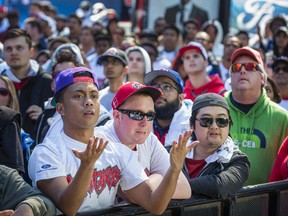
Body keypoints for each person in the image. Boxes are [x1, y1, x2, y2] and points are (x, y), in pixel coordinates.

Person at [28, 66, 196, 215]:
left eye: (94, 95)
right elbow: (69, 207)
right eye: (78, 96)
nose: (88, 102)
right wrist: (87, 166)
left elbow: (155, 205)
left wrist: (174, 169)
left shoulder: (115, 149)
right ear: (60, 108)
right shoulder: (46, 152)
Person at [96, 81, 193, 200]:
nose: (145, 123)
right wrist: (158, 179)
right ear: (117, 116)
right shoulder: (101, 141)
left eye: (150, 115)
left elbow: (184, 189)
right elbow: (134, 198)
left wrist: (147, 187)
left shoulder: (149, 139)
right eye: (137, 114)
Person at [225, 46, 288, 185]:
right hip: (219, 201)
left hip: (266, 202)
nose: (242, 70)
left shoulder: (282, 117)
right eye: (236, 67)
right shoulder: (216, 111)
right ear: (230, 77)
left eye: (250, 66)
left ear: (262, 78)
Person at [184, 93, 250, 199]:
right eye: (206, 121)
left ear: (229, 125)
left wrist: (174, 187)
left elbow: (220, 186)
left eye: (221, 121)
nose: (214, 126)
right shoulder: (172, 153)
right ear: (192, 124)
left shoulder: (239, 161)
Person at [0, 29, 53, 139]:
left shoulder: (48, 82)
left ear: (31, 52)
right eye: (8, 49)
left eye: (19, 48)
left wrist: (44, 118)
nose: (13, 52)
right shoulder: (1, 84)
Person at [144, 68, 192, 150]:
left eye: (166, 87)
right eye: (155, 87)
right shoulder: (140, 120)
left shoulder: (193, 124)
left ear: (181, 97)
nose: (159, 92)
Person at [97, 47, 128, 112]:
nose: (109, 66)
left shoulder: (131, 95)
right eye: (106, 62)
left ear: (125, 69)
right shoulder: (98, 96)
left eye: (115, 62)